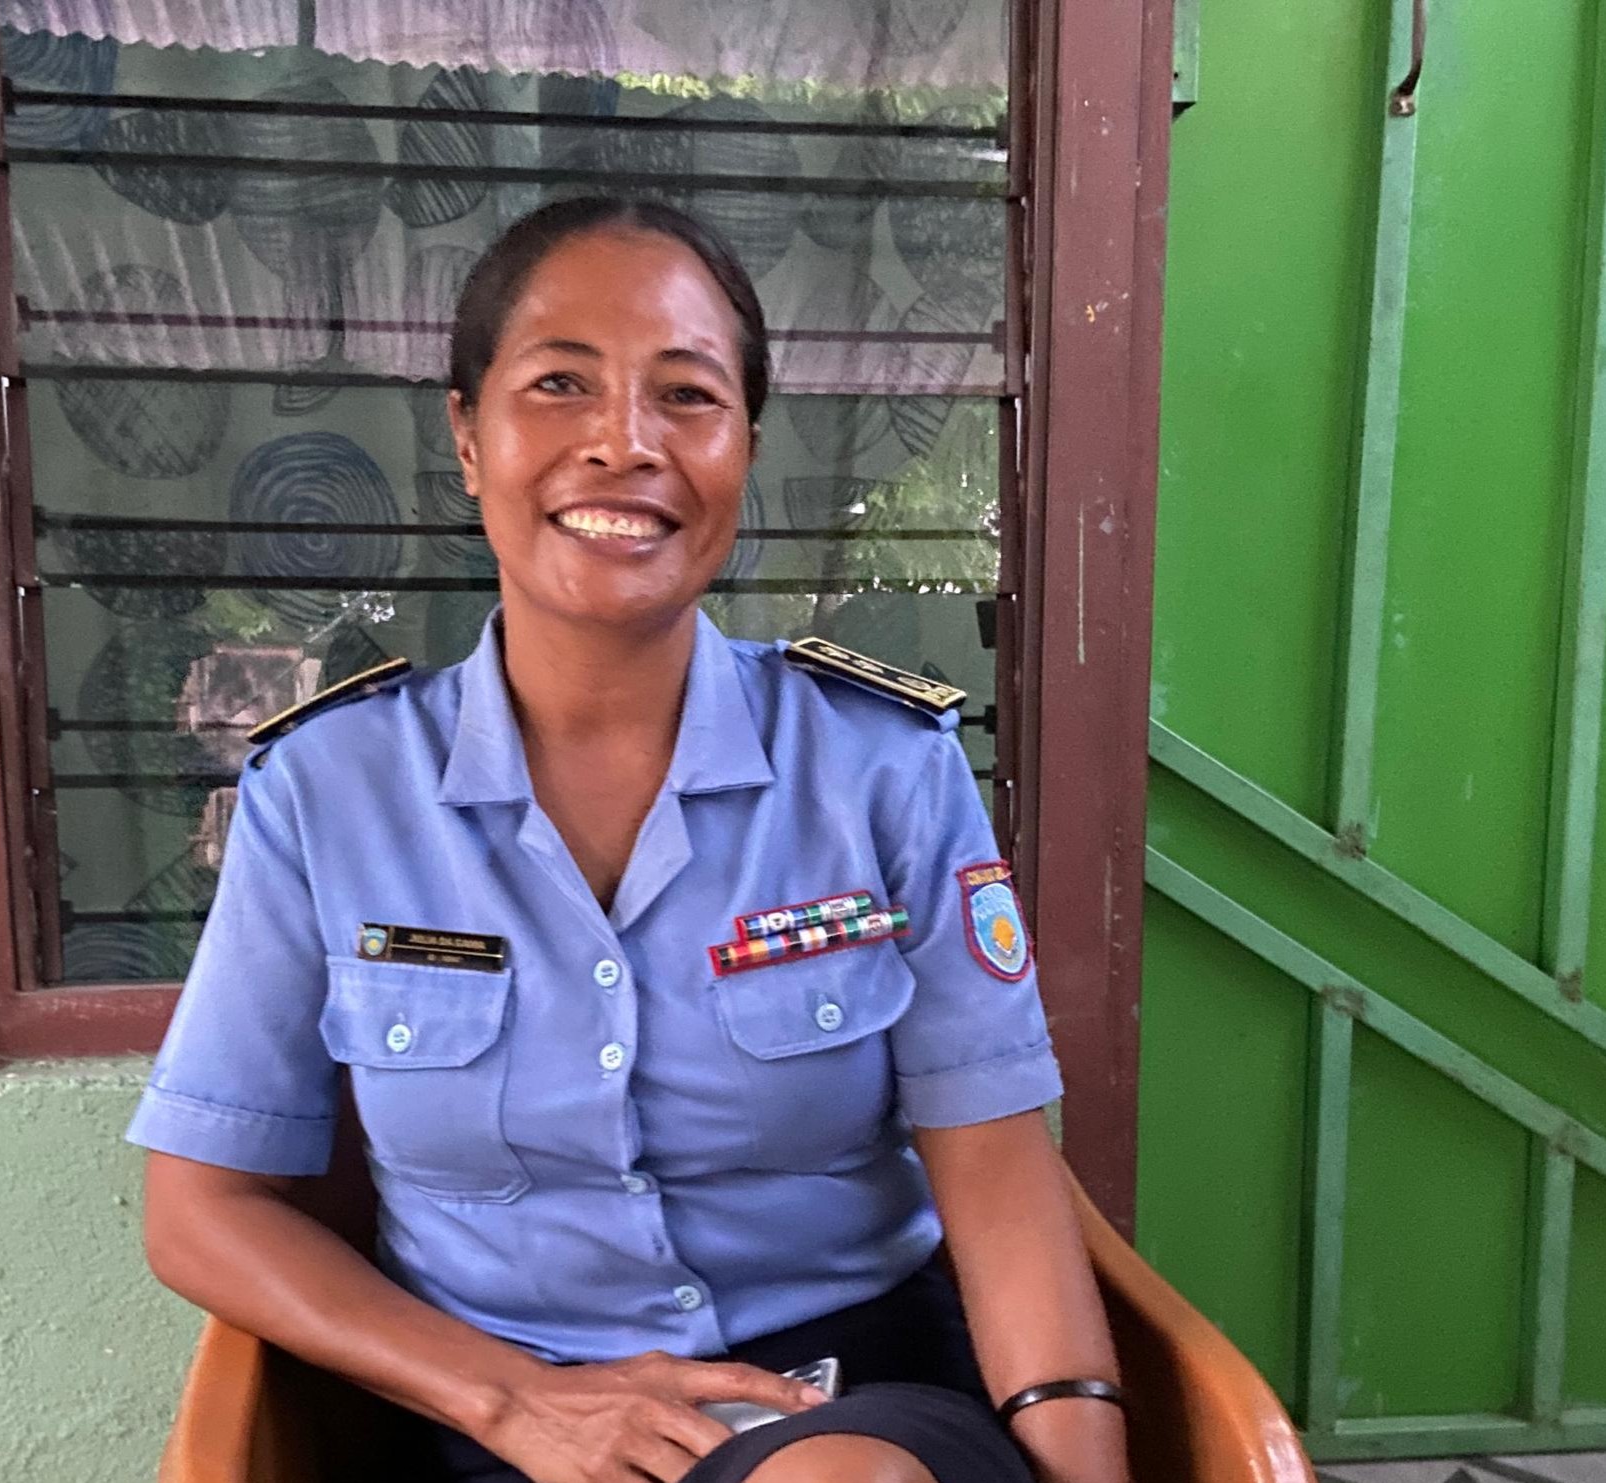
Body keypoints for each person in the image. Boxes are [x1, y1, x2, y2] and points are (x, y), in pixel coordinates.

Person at [129, 196, 1130, 1483]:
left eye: (687, 396)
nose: (623, 442)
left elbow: (996, 1171)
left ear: (743, 447)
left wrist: (1080, 1460)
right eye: (559, 384)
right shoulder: (329, 792)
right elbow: (201, 1207)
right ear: (467, 435)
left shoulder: (880, 766)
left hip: (852, 1403)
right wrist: (509, 1401)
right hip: (499, 1413)